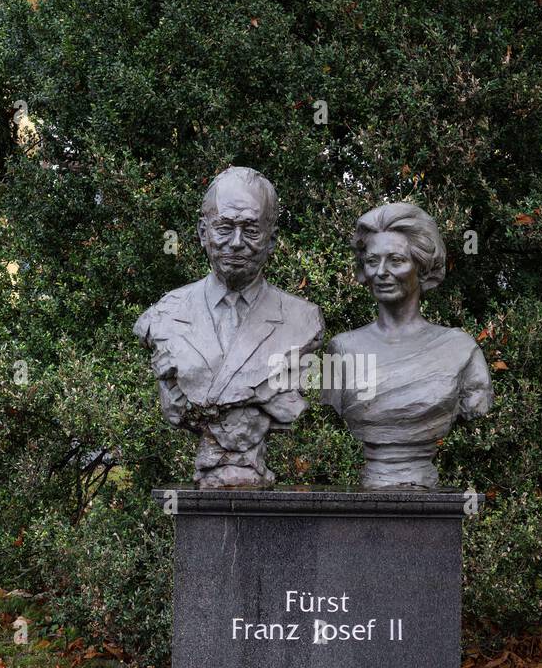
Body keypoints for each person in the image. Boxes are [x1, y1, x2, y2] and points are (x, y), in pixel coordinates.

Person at [134, 166, 323, 488]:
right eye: (224, 227)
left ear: (272, 239)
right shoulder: (163, 316)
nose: (236, 243)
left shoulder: (302, 320)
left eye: (251, 230)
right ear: (202, 232)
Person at [324, 201, 493, 489]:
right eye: (372, 261)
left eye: (396, 260)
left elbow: (477, 403)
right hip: (374, 475)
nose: (381, 272)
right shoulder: (339, 349)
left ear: (421, 266)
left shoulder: (460, 350)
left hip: (421, 477)